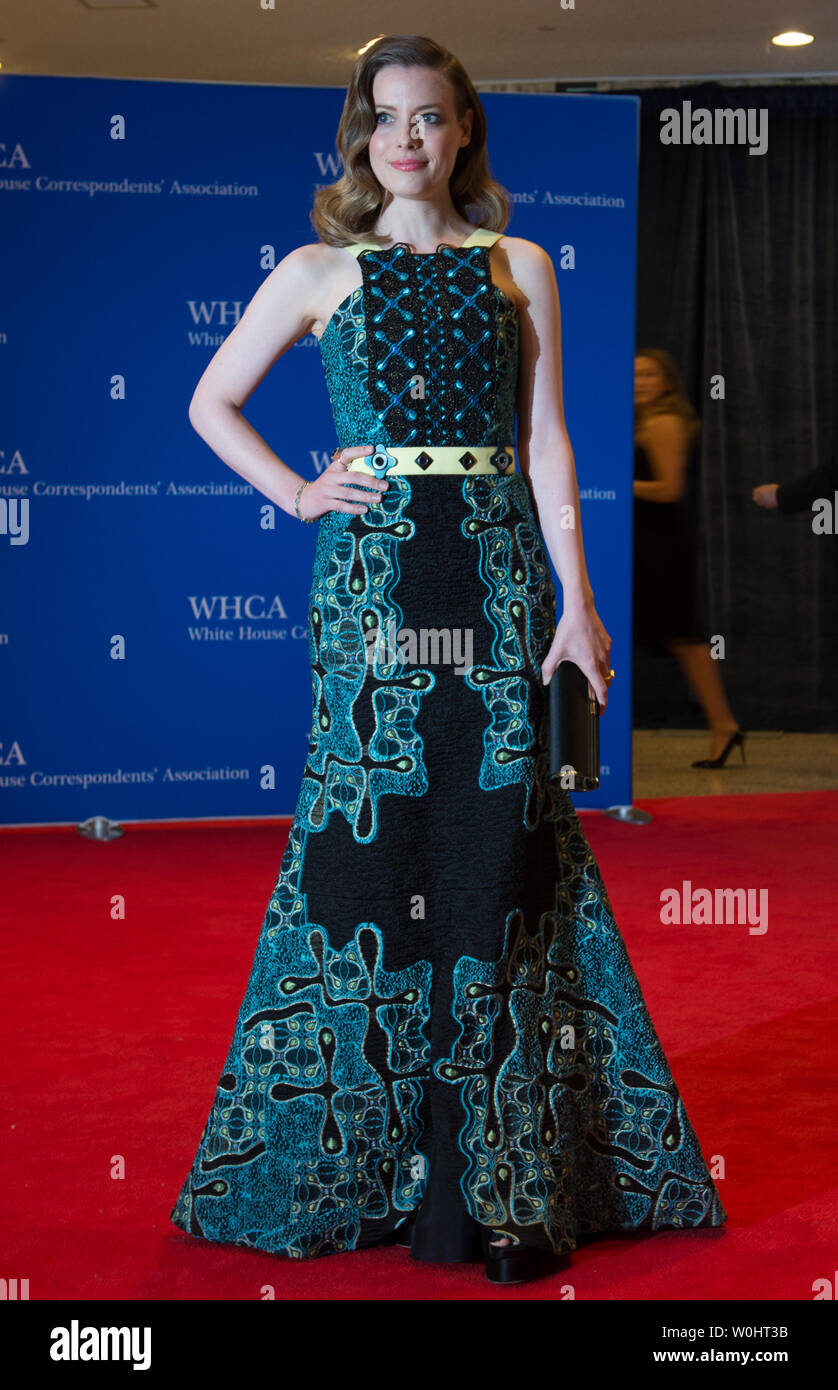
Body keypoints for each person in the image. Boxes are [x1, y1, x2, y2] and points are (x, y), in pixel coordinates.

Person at [170, 34, 727, 1287]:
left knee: (498, 862)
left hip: (493, 581)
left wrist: (577, 605)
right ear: (360, 138)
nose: (407, 139)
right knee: (374, 861)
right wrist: (302, 494)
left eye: (430, 117)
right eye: (385, 119)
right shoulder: (318, 269)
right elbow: (211, 401)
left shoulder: (517, 264)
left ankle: (512, 1183)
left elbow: (545, 449)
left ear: (465, 129)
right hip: (373, 595)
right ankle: (359, 1167)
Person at [634, 350, 746, 768]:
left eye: (648, 374)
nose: (640, 381)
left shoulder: (665, 422)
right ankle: (724, 725)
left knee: (685, 639)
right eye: (634, 375)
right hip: (642, 542)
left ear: (667, 382)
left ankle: (724, 725)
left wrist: (612, 481)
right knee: (681, 639)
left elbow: (668, 489)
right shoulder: (638, 421)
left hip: (662, 545)